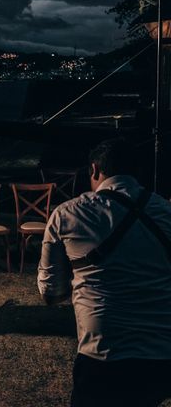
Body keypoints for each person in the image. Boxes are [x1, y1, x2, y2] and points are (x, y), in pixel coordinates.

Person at [37, 138, 171, 407]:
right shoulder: (166, 212)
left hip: (103, 353)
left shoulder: (67, 214)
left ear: (95, 170)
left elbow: (51, 293)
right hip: (163, 355)